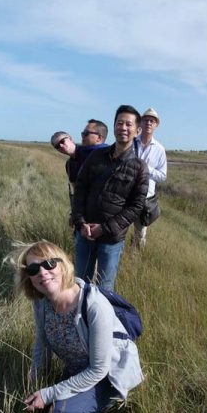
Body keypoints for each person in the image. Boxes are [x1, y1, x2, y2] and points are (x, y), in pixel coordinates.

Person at [15, 240, 143, 413]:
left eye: (49, 264)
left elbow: (98, 369)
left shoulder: (93, 305)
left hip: (107, 375)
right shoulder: (42, 303)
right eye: (33, 270)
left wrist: (50, 393)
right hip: (77, 370)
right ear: (29, 278)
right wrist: (33, 379)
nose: (42, 272)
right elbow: (41, 344)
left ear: (63, 266)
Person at [71, 105, 149, 290]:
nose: (123, 128)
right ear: (114, 126)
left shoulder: (139, 167)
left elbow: (136, 206)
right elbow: (80, 188)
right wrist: (80, 222)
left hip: (111, 239)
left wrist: (105, 228)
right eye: (119, 123)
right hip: (85, 234)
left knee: (105, 289)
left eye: (128, 124)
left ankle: (102, 319)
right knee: (80, 284)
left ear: (137, 130)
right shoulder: (96, 156)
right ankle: (81, 319)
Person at [50, 120, 109, 213]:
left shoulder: (101, 153)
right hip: (85, 215)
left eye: (62, 141)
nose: (61, 146)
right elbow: (77, 190)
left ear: (70, 138)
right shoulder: (69, 165)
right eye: (57, 146)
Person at [132, 108, 167, 249]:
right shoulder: (131, 143)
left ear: (156, 125)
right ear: (140, 122)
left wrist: (147, 168)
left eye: (152, 121)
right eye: (146, 119)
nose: (149, 123)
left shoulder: (159, 149)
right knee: (118, 229)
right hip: (126, 194)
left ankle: (134, 261)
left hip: (145, 197)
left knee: (140, 233)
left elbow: (162, 176)